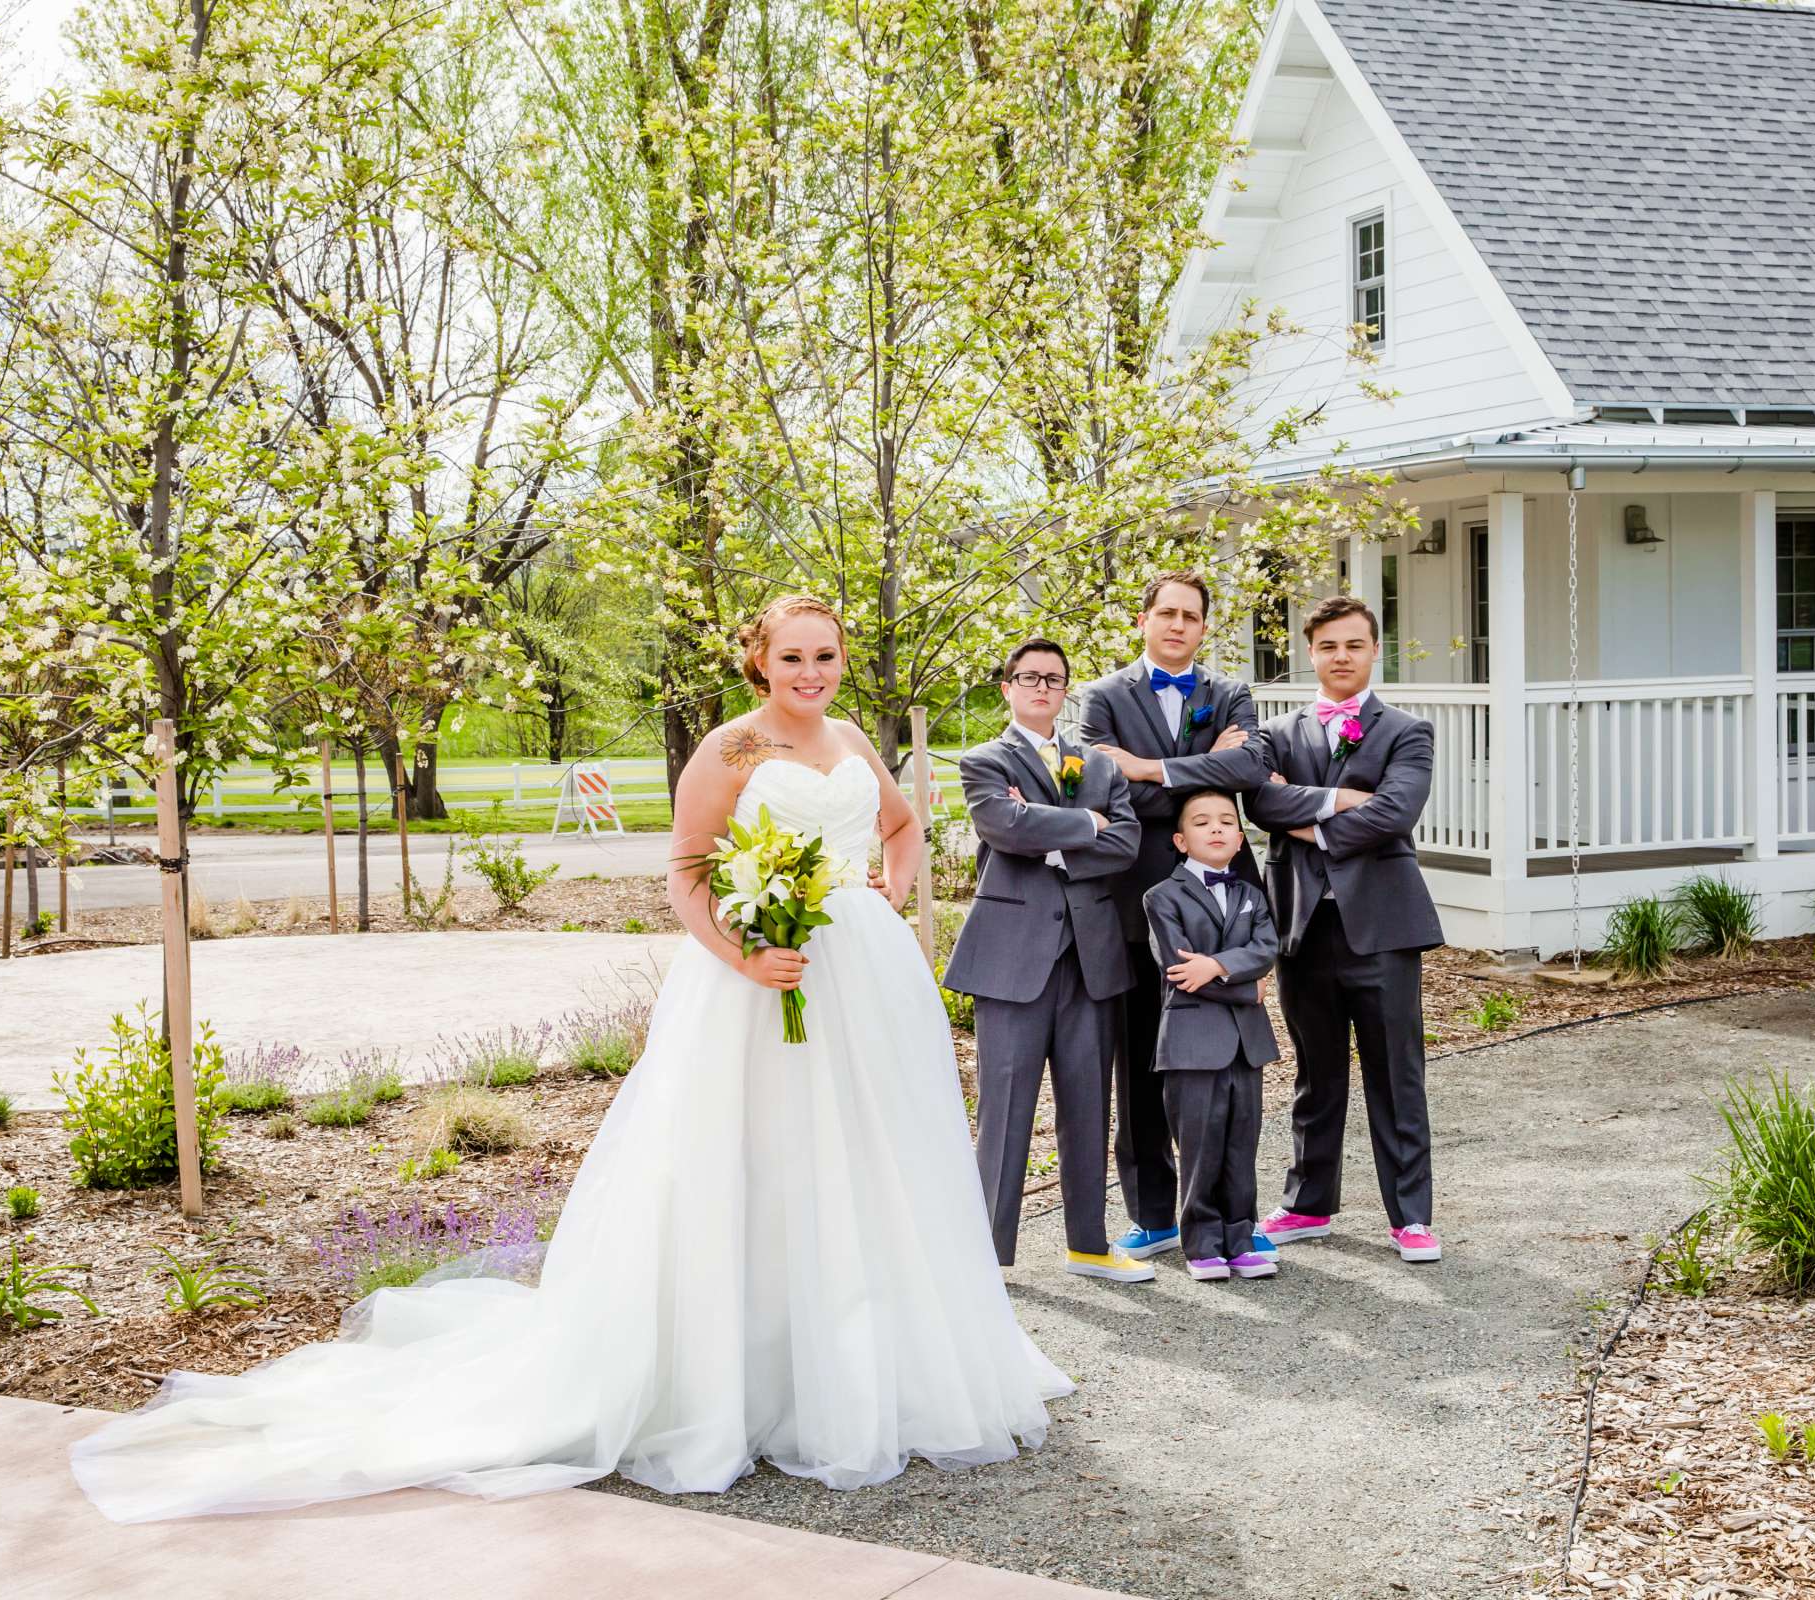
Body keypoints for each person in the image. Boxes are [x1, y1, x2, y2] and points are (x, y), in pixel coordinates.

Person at [69, 596, 1070, 1522]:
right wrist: (744, 951)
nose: (811, 671)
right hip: (758, 989)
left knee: (875, 1162)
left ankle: (871, 1362)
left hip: (865, 986)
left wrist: (882, 898)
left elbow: (899, 826)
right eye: (792, 655)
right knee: (757, 1168)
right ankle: (744, 1376)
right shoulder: (729, 746)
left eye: (827, 654)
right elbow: (685, 874)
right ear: (759, 660)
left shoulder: (852, 739)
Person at [943, 639, 1154, 1284]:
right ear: (1006, 687)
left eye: (1054, 679)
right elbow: (1003, 828)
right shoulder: (982, 760)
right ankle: (989, 1254)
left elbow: (1127, 843)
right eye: (1028, 677)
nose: (1041, 686)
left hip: (1092, 956)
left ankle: (1088, 1245)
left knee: (1089, 1103)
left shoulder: (1098, 763)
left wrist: (1054, 829)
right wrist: (1084, 823)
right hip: (1012, 957)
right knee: (1006, 1108)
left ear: (1066, 691)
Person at [1077, 571, 1273, 1264]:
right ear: (1143, 620)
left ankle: (1228, 1216)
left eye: (1191, 616)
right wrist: (1199, 769)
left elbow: (1250, 768)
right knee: (1141, 1059)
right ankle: (1154, 1213)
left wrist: (1150, 768)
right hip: (1133, 902)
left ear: (1204, 626)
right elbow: (1103, 788)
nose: (1178, 625)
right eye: (1166, 613)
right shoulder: (1100, 698)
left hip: (1224, 906)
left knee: (1225, 1064)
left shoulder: (1231, 693)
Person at [1244, 595, 1445, 1264]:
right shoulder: (1276, 734)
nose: (1340, 656)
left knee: (1397, 1074)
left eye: (1353, 645)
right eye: (1328, 645)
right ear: (1311, 652)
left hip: (1383, 927)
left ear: (1373, 650)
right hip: (1302, 926)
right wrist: (1333, 802)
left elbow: (1394, 814)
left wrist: (1305, 823)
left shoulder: (1407, 731)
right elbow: (1261, 801)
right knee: (1315, 1072)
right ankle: (1307, 1204)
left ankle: (1411, 1217)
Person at [1140, 789, 1281, 1282]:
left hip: (1247, 1042)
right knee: (1199, 1146)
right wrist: (1246, 989)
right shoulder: (1161, 897)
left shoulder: (1251, 896)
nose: (1216, 828)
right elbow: (1180, 970)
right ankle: (1201, 1242)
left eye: (1226, 821)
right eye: (1202, 822)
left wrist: (1218, 965)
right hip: (1191, 1041)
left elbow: (1266, 949)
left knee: (1242, 1144)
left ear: (1240, 839)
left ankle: (1241, 1239)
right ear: (1181, 840)